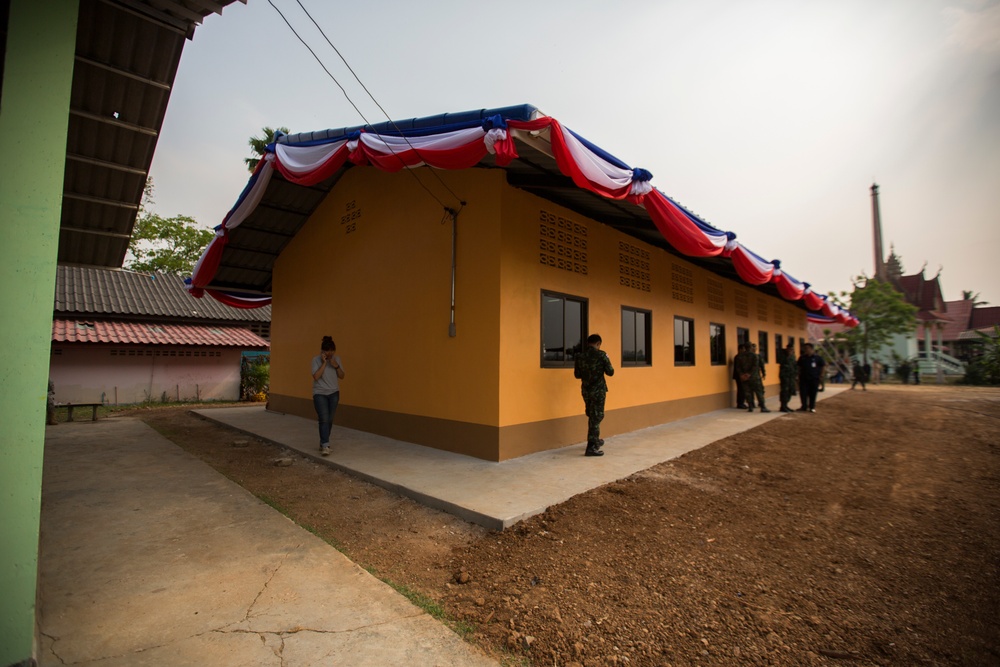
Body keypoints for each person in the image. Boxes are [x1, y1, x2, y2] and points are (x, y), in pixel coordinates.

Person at [574, 333, 615, 457]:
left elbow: (577, 375)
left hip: (586, 390)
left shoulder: (580, 356)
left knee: (592, 415)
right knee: (596, 417)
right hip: (598, 391)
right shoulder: (601, 355)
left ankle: (595, 440)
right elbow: (610, 372)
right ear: (598, 344)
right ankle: (591, 446)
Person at [311, 335, 345, 456]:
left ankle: (323, 442)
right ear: (322, 351)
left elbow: (342, 376)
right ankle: (326, 445)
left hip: (334, 393)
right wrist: (324, 363)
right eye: (327, 350)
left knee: (330, 419)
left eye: (331, 350)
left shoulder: (337, 359)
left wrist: (336, 365)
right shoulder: (315, 360)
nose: (329, 353)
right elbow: (316, 376)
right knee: (324, 418)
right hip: (320, 394)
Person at [736, 342, 770, 413]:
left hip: (744, 378)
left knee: (748, 392)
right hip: (754, 377)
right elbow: (755, 366)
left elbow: (738, 367)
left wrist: (742, 374)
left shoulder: (740, 356)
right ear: (751, 347)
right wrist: (749, 374)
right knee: (759, 392)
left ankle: (750, 407)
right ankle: (763, 407)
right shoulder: (755, 356)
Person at [797, 343, 825, 412]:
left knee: (813, 393)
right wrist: (797, 376)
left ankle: (812, 407)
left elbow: (823, 366)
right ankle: (804, 406)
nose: (806, 350)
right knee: (803, 393)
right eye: (805, 348)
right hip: (804, 378)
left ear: (812, 349)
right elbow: (798, 367)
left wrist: (821, 375)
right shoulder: (802, 358)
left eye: (807, 348)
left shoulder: (817, 358)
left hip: (814, 379)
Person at [778, 341, 798, 412]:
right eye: (789, 349)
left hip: (791, 376)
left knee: (790, 390)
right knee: (784, 391)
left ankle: (786, 405)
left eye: (792, 349)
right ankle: (783, 406)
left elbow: (795, 365)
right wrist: (788, 355)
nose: (791, 350)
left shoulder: (793, 356)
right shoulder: (783, 355)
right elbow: (781, 362)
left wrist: (796, 374)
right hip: (785, 376)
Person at [732, 342, 748, 409]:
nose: (744, 350)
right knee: (741, 390)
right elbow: (738, 367)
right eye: (743, 349)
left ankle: (742, 403)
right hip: (739, 376)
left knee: (743, 389)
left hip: (742, 376)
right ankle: (740, 403)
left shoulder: (741, 357)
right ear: (740, 349)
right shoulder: (738, 357)